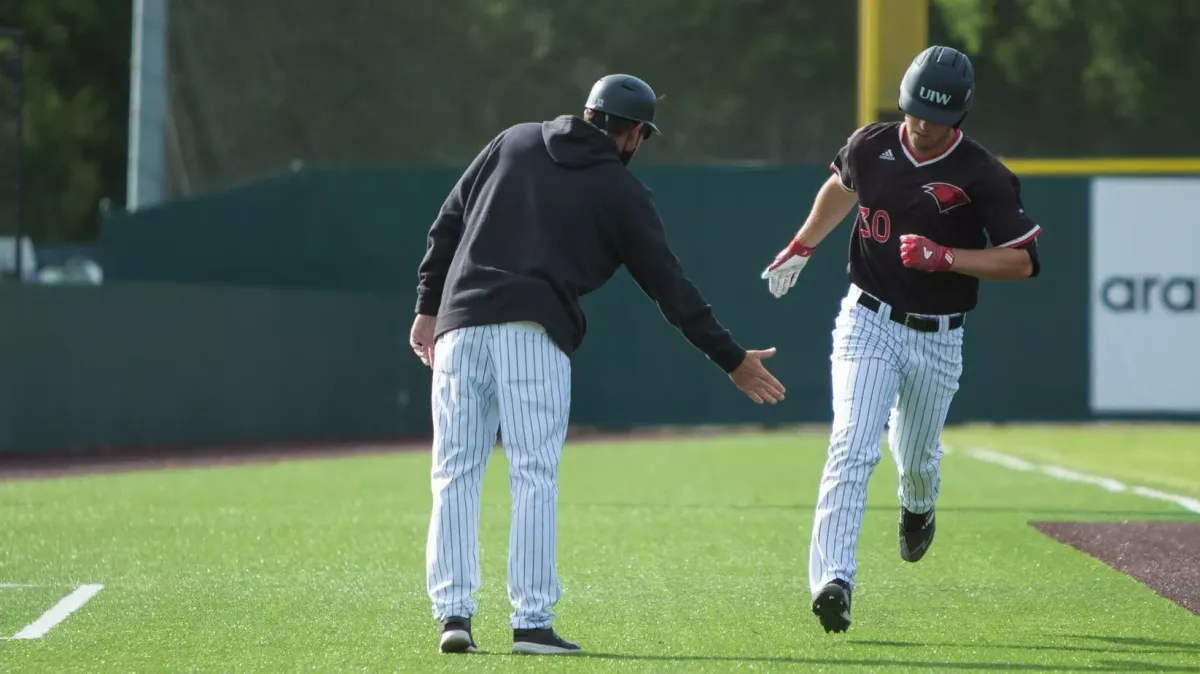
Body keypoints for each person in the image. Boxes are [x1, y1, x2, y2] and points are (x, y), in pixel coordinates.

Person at [410, 73, 786, 655]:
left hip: (459, 328)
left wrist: (427, 308)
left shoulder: (514, 140)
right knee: (533, 476)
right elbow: (670, 287)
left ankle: (453, 617)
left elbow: (448, 223)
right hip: (532, 333)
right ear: (634, 133)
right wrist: (731, 358)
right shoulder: (620, 190)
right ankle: (531, 624)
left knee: (454, 473)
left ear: (588, 112)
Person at [760, 46, 1043, 633]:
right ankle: (834, 580)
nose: (922, 125)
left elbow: (1023, 261)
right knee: (852, 444)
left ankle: (918, 506)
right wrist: (803, 244)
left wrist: (948, 258)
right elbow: (842, 186)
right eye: (915, 110)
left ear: (958, 116)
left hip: (938, 336)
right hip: (868, 318)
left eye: (936, 117)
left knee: (915, 458)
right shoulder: (870, 144)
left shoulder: (984, 174)